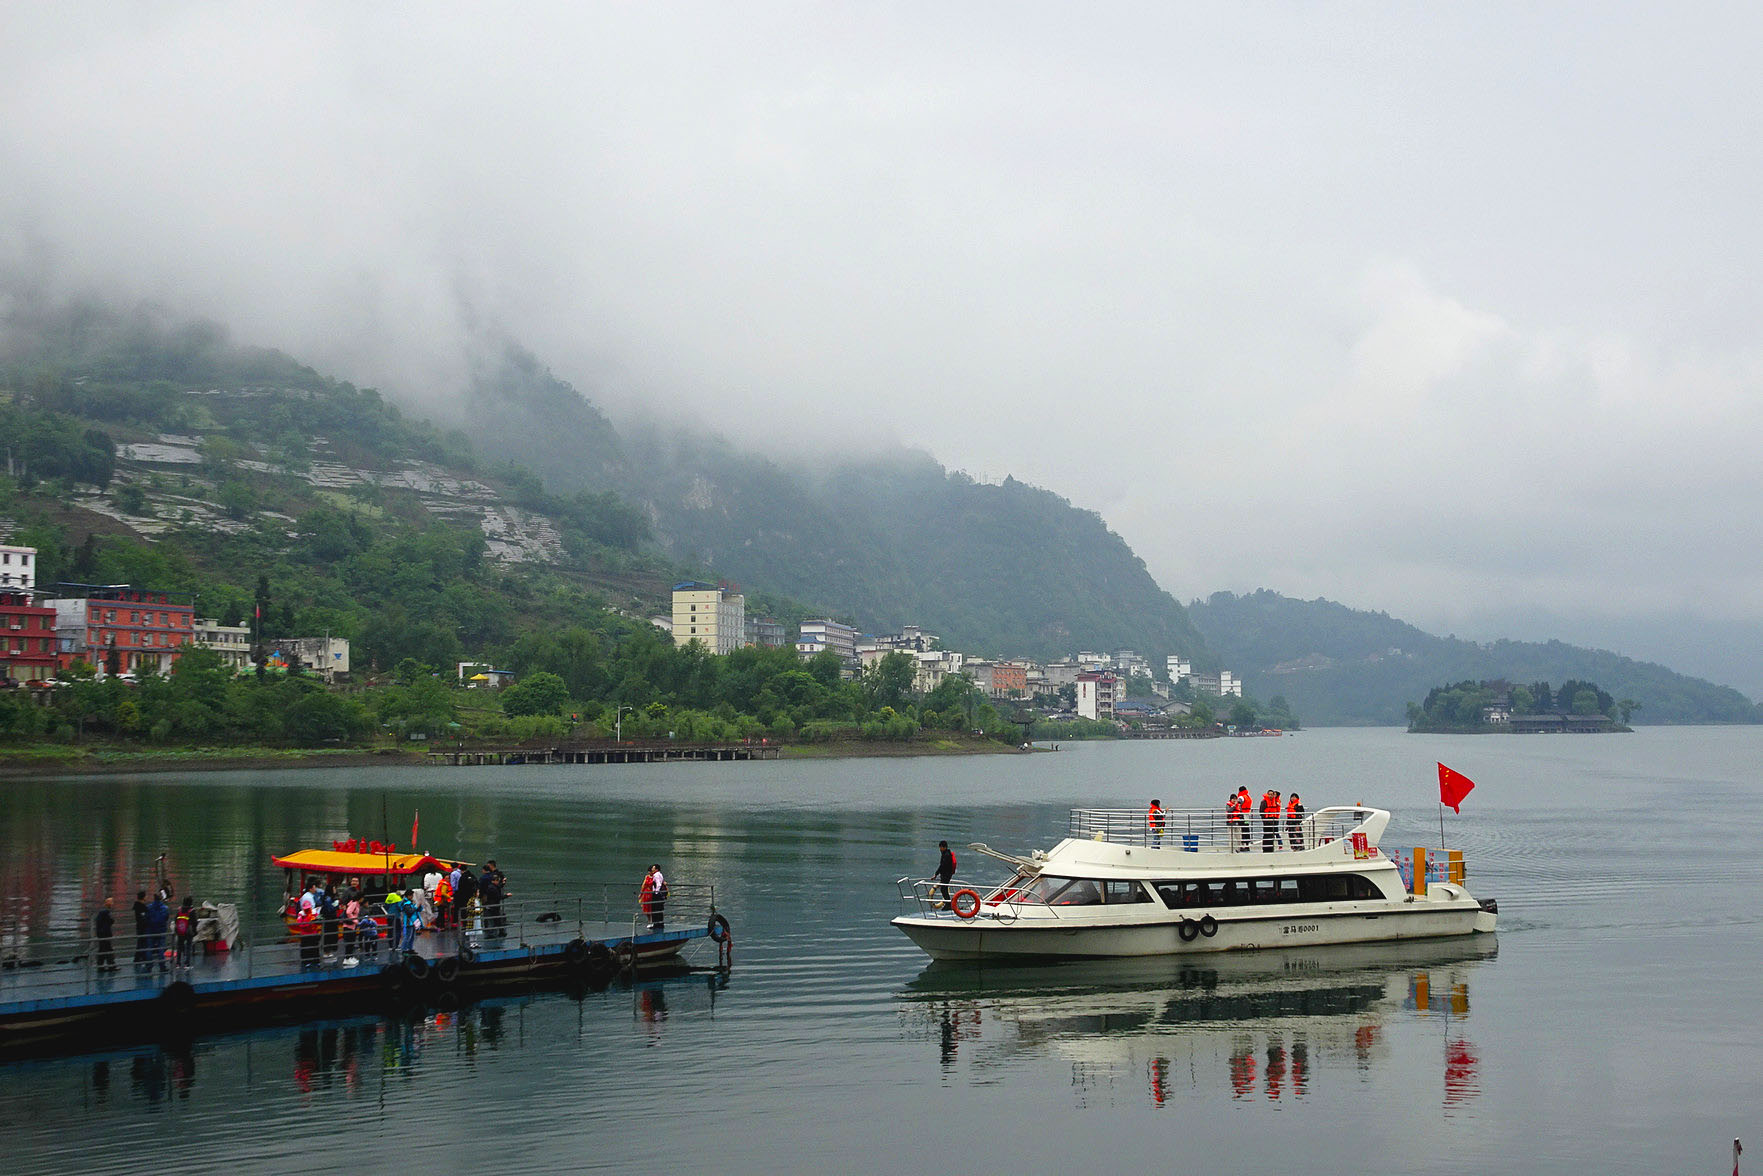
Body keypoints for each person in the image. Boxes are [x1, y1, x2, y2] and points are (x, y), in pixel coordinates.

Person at [145, 891, 170, 971]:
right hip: (161, 930)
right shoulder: (165, 908)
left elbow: (147, 917)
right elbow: (166, 918)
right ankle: (162, 966)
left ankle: (149, 966)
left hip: (150, 930)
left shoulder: (149, 907)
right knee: (161, 949)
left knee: (149, 948)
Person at [640, 864, 668, 931]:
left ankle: (656, 924)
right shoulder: (660, 874)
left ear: (656, 869)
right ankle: (659, 923)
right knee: (659, 909)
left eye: (653, 868)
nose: (652, 869)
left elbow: (658, 884)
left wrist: (656, 892)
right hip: (660, 894)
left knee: (655, 908)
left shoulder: (656, 875)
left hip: (656, 894)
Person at [94, 898, 117, 972]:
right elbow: (110, 921)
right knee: (108, 949)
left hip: (101, 934)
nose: (113, 904)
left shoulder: (102, 912)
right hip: (105, 934)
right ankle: (111, 966)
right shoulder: (106, 912)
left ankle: (100, 966)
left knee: (102, 950)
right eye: (111, 902)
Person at [173, 896, 197, 968]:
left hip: (180, 931)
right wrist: (194, 931)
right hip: (188, 932)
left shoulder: (180, 910)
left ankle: (178, 963)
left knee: (179, 947)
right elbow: (195, 922)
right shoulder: (192, 911)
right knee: (188, 947)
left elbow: (176, 920)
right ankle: (187, 964)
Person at [132, 890, 151, 969]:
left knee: (140, 942)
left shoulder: (137, 906)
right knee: (142, 943)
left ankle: (138, 958)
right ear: (143, 897)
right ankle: (142, 958)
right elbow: (143, 918)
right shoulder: (142, 907)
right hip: (142, 927)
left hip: (140, 927)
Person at [934, 841, 957, 905]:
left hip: (946, 874)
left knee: (943, 889)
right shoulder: (946, 853)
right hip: (946, 874)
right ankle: (948, 904)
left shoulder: (946, 855)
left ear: (944, 847)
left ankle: (948, 904)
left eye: (940, 847)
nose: (940, 849)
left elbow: (942, 865)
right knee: (944, 889)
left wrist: (936, 874)